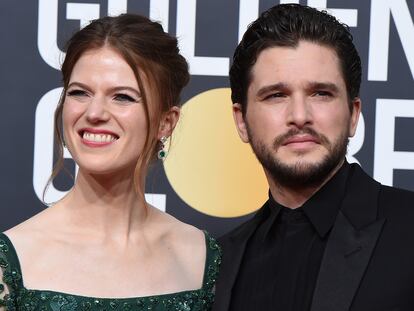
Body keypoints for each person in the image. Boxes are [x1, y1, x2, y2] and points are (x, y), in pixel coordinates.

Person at [0, 14, 220, 311]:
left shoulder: (201, 258)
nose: (94, 113)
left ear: (166, 122)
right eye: (79, 93)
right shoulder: (13, 259)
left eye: (123, 97)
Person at [213, 4, 414, 311]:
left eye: (321, 93)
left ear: (353, 114)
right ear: (242, 121)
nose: (299, 116)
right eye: (276, 95)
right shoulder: (220, 263)